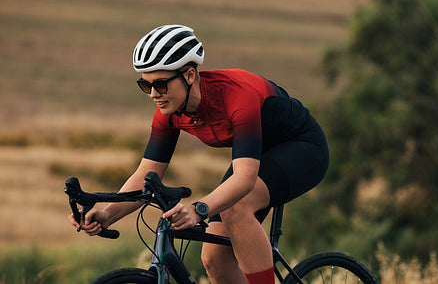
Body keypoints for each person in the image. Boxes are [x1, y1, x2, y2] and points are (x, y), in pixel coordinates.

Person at [68, 24, 329, 284]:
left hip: (302, 149)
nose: (154, 95)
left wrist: (198, 210)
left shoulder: (237, 97)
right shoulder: (169, 111)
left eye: (160, 84)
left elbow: (245, 179)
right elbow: (145, 174)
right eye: (145, 86)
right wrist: (106, 215)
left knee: (237, 207)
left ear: (190, 75)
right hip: (257, 154)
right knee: (214, 259)